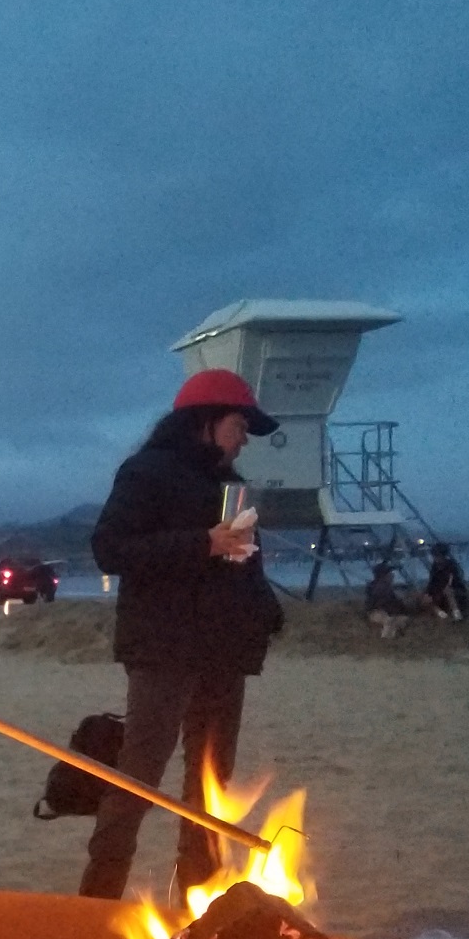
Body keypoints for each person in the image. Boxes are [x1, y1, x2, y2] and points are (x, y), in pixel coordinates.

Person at [80, 368, 284, 902]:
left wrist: (265, 609)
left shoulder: (228, 486)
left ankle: (200, 896)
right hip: (163, 650)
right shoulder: (146, 472)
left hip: (224, 652)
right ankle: (97, 900)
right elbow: (110, 549)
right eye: (239, 425)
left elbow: (240, 564)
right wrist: (201, 544)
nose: (243, 440)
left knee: (212, 783)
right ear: (206, 421)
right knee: (140, 776)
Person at [365, 563, 411, 639]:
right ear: (383, 575)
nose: (392, 575)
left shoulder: (379, 586)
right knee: (391, 621)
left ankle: (391, 637)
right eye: (389, 573)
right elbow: (389, 604)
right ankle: (387, 640)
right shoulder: (381, 588)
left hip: (378, 613)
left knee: (401, 620)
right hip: (378, 613)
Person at [424, 543, 467, 621]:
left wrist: (446, 587)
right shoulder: (434, 567)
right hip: (439, 592)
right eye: (435, 556)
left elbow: (452, 580)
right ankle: (440, 613)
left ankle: (456, 613)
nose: (436, 558)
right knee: (425, 598)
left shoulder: (451, 565)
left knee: (448, 591)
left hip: (455, 591)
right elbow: (431, 581)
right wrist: (427, 593)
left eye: (438, 556)